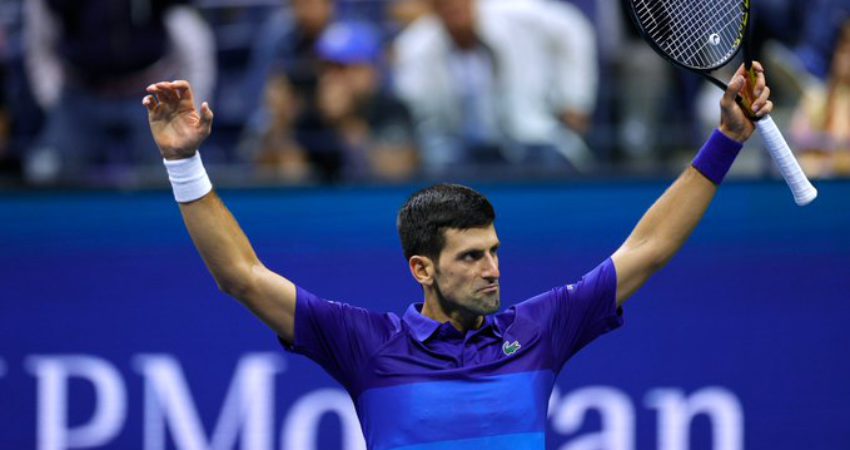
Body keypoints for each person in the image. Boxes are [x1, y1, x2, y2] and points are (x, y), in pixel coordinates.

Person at [142, 62, 773, 448]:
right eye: (470, 257)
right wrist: (183, 161)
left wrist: (726, 139)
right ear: (422, 269)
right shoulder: (365, 343)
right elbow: (242, 277)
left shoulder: (543, 327)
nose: (492, 269)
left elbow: (648, 249)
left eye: (494, 251)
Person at [393, 0, 598, 174]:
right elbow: (414, 106)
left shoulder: (516, 13)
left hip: (529, 139)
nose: (453, 6)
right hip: (459, 150)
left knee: (553, 163)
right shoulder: (415, 46)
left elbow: (573, 29)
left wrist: (575, 98)